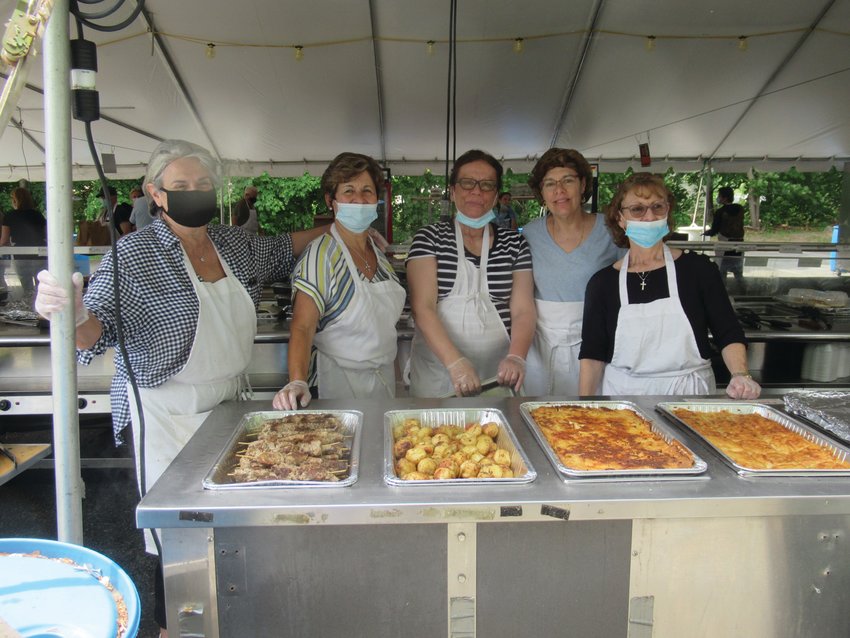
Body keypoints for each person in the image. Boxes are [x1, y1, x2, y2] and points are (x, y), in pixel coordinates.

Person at [33, 139, 328, 636]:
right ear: (156, 193)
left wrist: (341, 226)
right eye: (182, 186)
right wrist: (72, 311)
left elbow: (285, 246)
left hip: (229, 407)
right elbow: (94, 333)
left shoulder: (232, 243)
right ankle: (178, 626)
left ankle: (234, 618)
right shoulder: (134, 254)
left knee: (232, 524)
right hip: (168, 413)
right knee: (178, 536)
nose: (195, 193)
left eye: (204, 185)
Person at [578, 173, 760, 400]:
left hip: (690, 396)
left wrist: (740, 373)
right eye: (637, 209)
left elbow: (728, 331)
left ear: (667, 212)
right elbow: (593, 353)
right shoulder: (602, 283)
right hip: (623, 398)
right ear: (620, 218)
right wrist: (583, 404)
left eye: (657, 207)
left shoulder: (698, 270)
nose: (649, 216)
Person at [273, 153, 405, 409]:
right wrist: (297, 381)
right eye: (348, 191)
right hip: (336, 383)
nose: (359, 198)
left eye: (367, 190)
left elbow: (386, 330)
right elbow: (302, 327)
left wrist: (399, 383)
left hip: (383, 383)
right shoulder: (320, 255)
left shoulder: (379, 256)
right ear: (331, 201)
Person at [406, 149, 536, 397]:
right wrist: (455, 363)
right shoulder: (429, 238)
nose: (477, 191)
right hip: (438, 372)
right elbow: (423, 308)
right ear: (453, 191)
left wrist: (516, 357)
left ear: (496, 195)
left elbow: (523, 309)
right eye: (467, 183)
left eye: (487, 185)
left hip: (497, 375)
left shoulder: (514, 243)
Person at [521, 148, 624, 395]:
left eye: (568, 180)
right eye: (550, 184)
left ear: (583, 184)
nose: (560, 191)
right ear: (541, 192)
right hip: (542, 347)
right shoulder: (530, 234)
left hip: (597, 344)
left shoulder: (610, 231)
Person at [1, 186, 47, 297]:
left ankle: (30, 307)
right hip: (40, 254)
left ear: (15, 200)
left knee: (27, 288)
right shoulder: (37, 215)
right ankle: (41, 311)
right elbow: (47, 235)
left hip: (21, 255)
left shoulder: (9, 216)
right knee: (42, 287)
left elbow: (4, 240)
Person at [704, 186, 745, 283]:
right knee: (738, 271)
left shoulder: (720, 212)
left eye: (719, 196)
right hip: (739, 243)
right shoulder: (740, 209)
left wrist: (706, 233)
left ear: (724, 198)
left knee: (722, 270)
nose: (718, 198)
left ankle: (723, 290)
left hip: (725, 243)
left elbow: (714, 230)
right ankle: (742, 290)